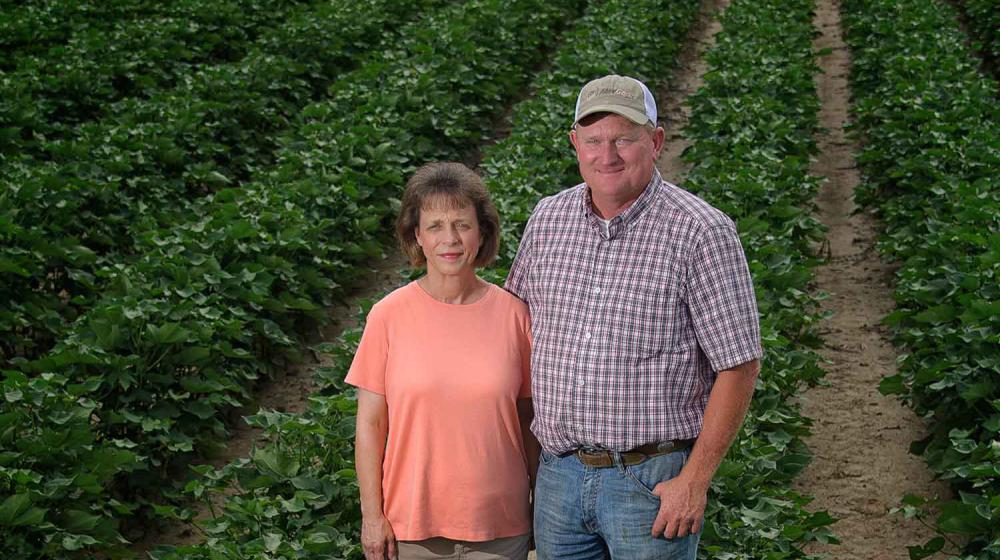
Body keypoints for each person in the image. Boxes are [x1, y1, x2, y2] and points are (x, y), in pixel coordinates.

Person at [505, 74, 762, 559]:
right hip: (558, 476)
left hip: (649, 483)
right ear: (574, 143)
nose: (608, 155)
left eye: (625, 138)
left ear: (656, 141)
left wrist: (695, 480)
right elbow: (514, 329)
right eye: (595, 140)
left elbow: (740, 364)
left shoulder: (700, 231)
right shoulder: (548, 219)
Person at [347, 162, 539, 560]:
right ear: (416, 235)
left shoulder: (515, 315)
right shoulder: (387, 316)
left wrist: (542, 503)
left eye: (462, 224)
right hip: (412, 528)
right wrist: (371, 516)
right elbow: (370, 424)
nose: (449, 239)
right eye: (435, 226)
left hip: (501, 529)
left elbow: (530, 419)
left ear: (482, 231)